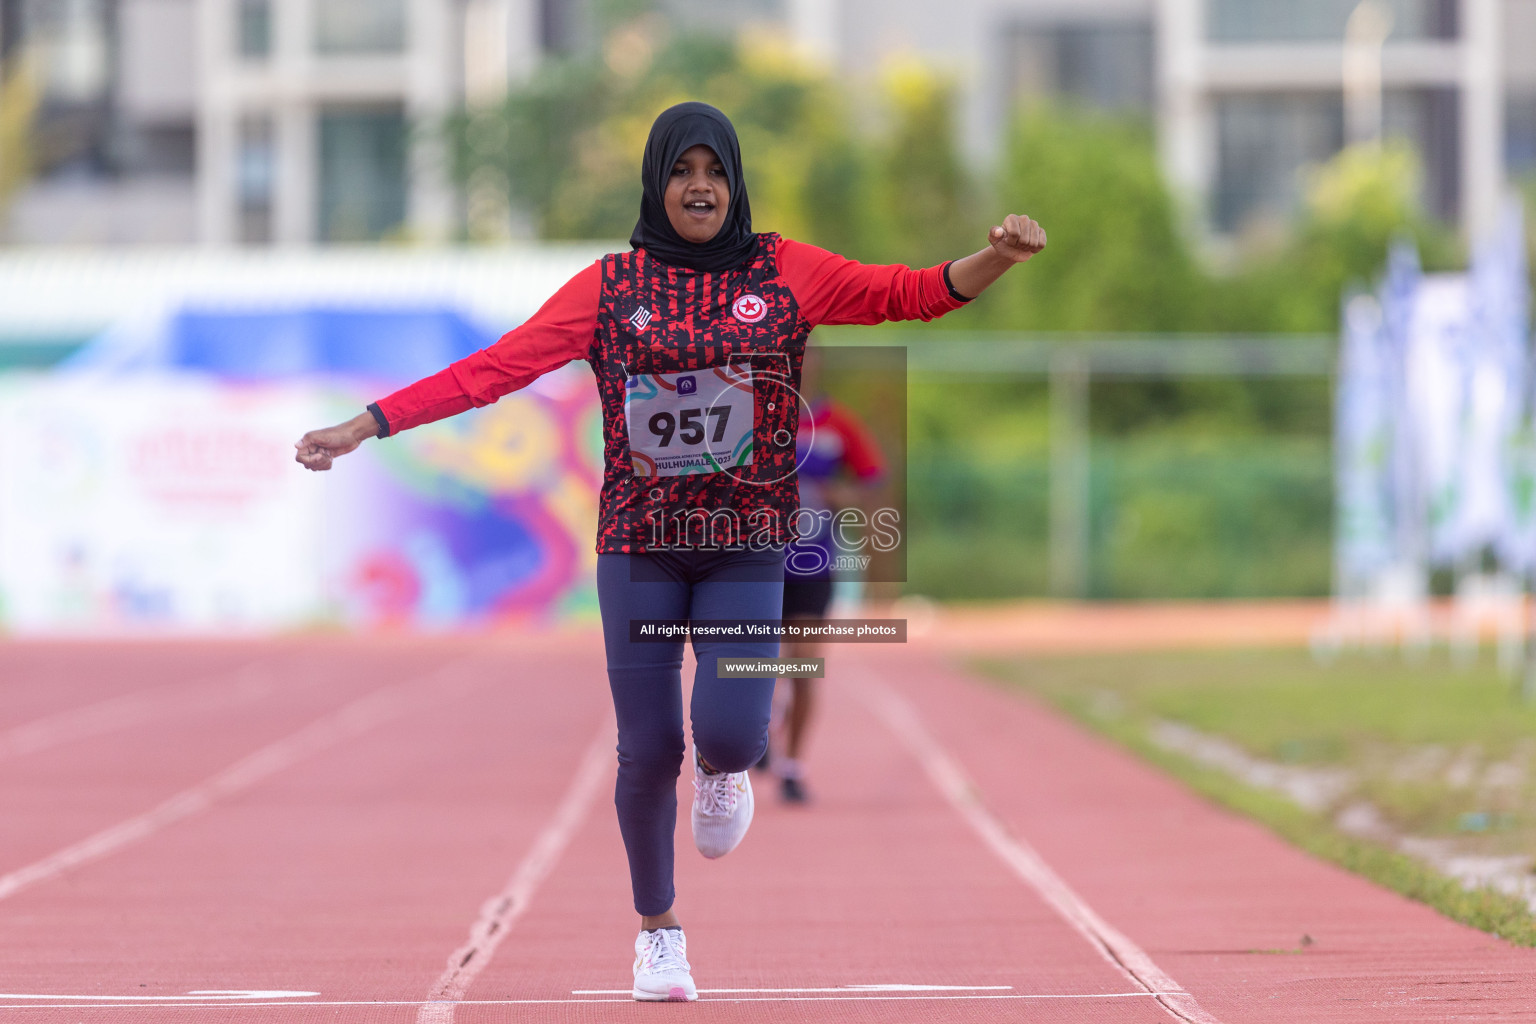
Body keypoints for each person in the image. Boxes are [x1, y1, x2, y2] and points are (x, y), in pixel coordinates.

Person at [295, 101, 1045, 1002]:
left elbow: (911, 292)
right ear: (657, 184)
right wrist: (367, 425)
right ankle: (659, 931)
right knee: (648, 746)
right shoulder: (611, 287)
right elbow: (494, 369)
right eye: (683, 172)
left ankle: (728, 775)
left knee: (726, 733)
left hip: (746, 545)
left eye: (716, 172)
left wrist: (995, 255)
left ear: (736, 182)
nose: (701, 188)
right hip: (641, 547)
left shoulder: (786, 270)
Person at [771, 344, 886, 803]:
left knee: (804, 665)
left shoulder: (837, 424)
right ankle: (762, 722)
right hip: (753, 562)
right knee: (755, 666)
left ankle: (792, 767)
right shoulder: (751, 416)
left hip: (813, 561)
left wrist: (842, 493)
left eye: (806, 356)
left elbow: (872, 480)